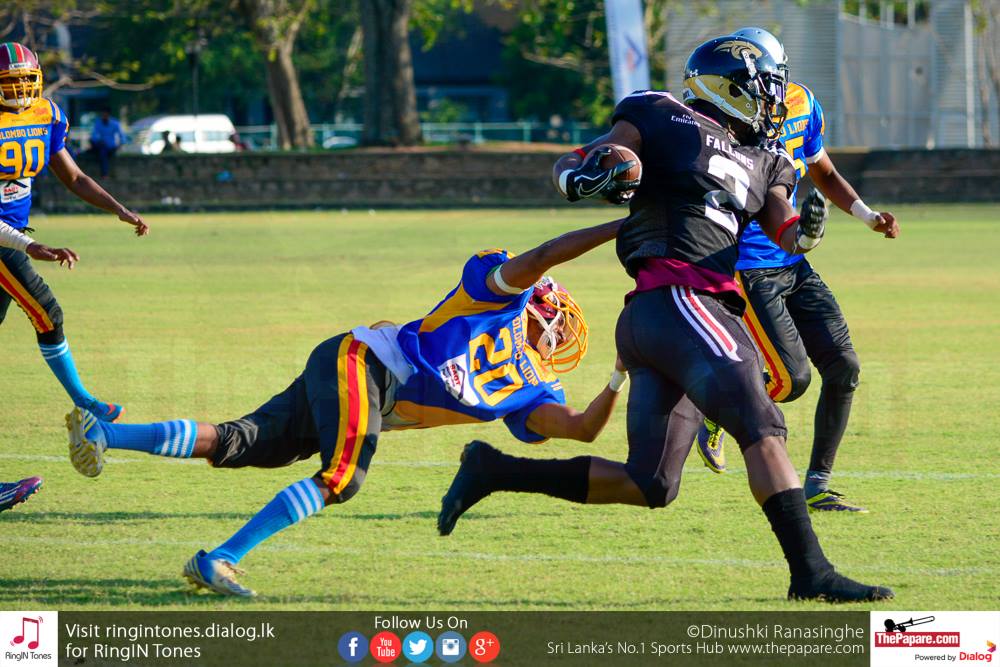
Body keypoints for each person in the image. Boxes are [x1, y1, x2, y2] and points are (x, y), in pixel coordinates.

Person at [438, 36, 893, 602]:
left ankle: (493, 470)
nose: (774, 102)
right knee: (762, 422)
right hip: (682, 298)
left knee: (651, 482)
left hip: (667, 319)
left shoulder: (768, 159)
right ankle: (812, 573)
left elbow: (782, 226)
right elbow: (589, 157)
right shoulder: (661, 112)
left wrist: (805, 233)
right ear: (727, 88)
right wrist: (588, 174)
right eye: (765, 89)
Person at [66, 219, 626, 597]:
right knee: (342, 479)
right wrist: (621, 226)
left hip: (362, 384)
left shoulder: (534, 389)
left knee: (239, 442)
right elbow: (546, 254)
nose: (562, 335)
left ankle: (105, 435)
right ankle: (220, 558)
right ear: (541, 304)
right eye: (560, 321)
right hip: (363, 363)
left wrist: (619, 376)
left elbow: (581, 430)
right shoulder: (497, 294)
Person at [694, 27, 900, 514]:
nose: (771, 87)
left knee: (844, 367)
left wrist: (867, 215)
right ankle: (713, 405)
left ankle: (818, 485)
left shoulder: (801, 103)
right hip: (748, 267)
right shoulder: (729, 115)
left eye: (775, 77)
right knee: (791, 381)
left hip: (793, 261)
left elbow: (823, 170)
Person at [0, 42, 148, 425]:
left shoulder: (45, 114)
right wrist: (30, 245)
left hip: (14, 234)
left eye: (26, 80)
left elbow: (76, 177)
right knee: (48, 313)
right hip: (7, 242)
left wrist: (118, 209)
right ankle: (85, 402)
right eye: (10, 81)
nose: (20, 88)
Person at [89, 108, 125, 176]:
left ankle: (104, 173)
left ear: (109, 115)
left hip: (111, 147)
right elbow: (94, 136)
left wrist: (120, 145)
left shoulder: (115, 123)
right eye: (102, 115)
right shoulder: (98, 123)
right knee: (101, 149)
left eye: (105, 114)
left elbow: (122, 136)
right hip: (101, 145)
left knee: (103, 152)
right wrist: (99, 140)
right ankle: (104, 173)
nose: (103, 116)